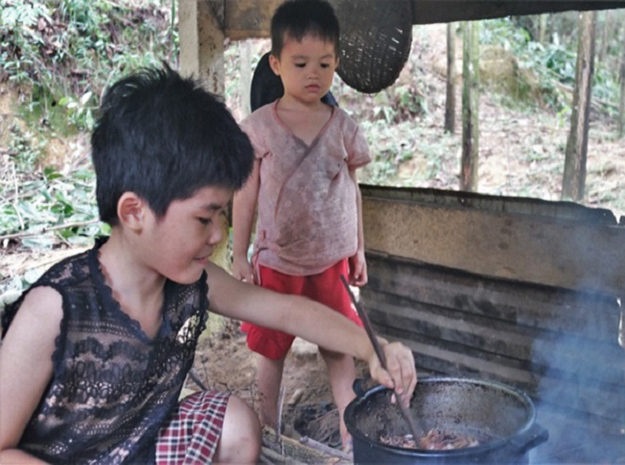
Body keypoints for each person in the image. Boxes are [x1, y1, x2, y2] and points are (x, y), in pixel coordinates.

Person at [0, 65, 417, 464]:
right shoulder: (54, 310)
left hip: (138, 449)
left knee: (234, 423)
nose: (219, 234)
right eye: (205, 217)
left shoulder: (189, 282)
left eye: (222, 216)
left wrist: (372, 348)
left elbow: (288, 311)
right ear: (134, 213)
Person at [232, 0, 372, 450]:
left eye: (325, 63)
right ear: (276, 64)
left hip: (331, 263)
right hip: (277, 264)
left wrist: (359, 249)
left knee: (341, 352)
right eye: (300, 62)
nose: (314, 73)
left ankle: (353, 445)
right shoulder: (260, 128)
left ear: (336, 64)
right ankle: (265, 438)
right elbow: (245, 193)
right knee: (271, 355)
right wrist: (238, 253)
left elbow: (352, 191)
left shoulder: (344, 128)